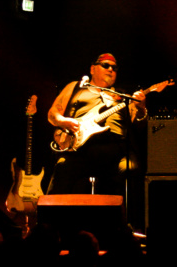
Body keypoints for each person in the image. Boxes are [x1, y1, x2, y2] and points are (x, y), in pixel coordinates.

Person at [46, 53, 148, 196]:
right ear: (92, 69)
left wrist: (141, 109)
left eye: (114, 68)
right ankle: (51, 210)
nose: (111, 69)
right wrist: (63, 121)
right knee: (62, 167)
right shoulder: (76, 87)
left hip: (116, 150)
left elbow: (138, 125)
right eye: (106, 65)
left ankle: (126, 211)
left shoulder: (122, 96)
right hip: (80, 150)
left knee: (132, 169)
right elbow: (53, 114)